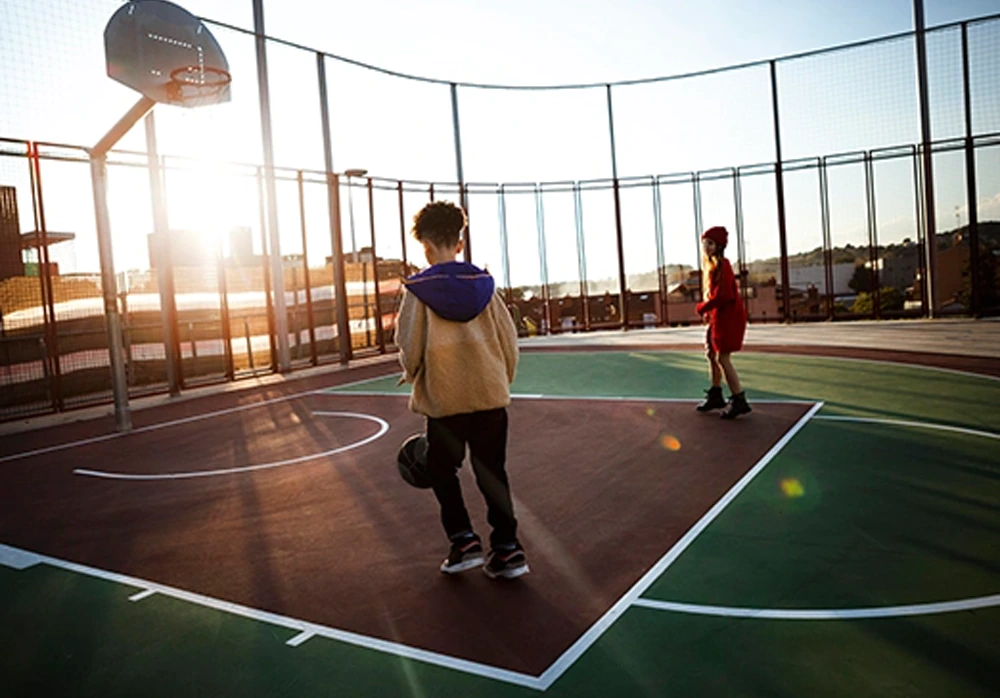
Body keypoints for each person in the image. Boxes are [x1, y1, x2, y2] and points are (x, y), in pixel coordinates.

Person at [395, 200, 529, 579]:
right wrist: (501, 379)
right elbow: (508, 342)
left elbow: (411, 345)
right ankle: (508, 549)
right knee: (492, 472)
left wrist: (412, 373)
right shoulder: (484, 285)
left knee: (441, 469)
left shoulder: (419, 291)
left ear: (424, 244)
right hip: (488, 395)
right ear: (459, 240)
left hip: (446, 400)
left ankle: (463, 541)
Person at [695, 226, 751, 419]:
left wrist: (703, 307)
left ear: (719, 246)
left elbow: (725, 295)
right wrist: (708, 311)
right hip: (718, 315)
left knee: (722, 358)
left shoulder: (723, 264)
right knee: (711, 353)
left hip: (728, 317)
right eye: (704, 243)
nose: (706, 247)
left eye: (710, 243)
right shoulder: (711, 265)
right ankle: (716, 395)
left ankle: (739, 400)